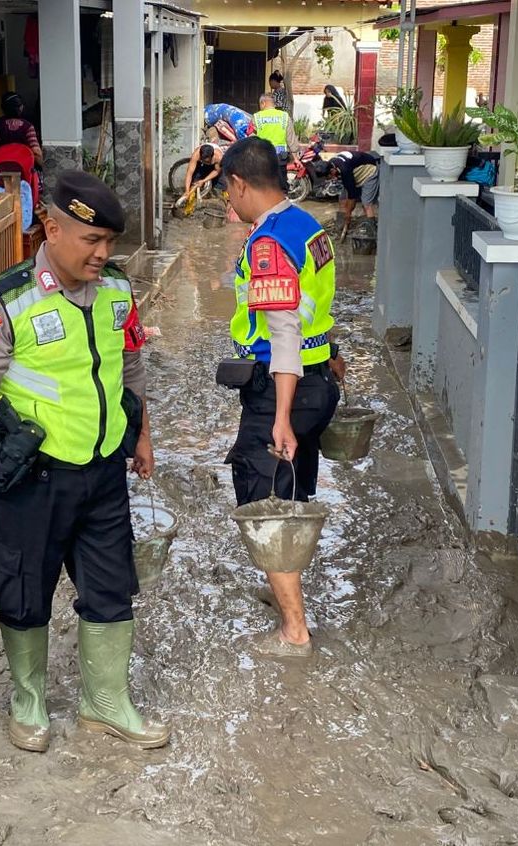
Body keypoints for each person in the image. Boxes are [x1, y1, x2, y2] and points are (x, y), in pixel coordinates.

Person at [0, 171, 170, 753]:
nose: (103, 253)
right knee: (24, 591)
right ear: (51, 228)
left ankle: (105, 702)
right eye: (90, 240)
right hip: (34, 478)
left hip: (103, 473)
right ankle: (28, 699)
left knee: (110, 589)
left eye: (110, 242)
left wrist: (142, 436)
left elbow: (128, 367)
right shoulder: (5, 302)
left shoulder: (116, 292)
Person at [218, 137, 344, 658]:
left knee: (264, 500)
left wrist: (281, 417)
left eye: (228, 190)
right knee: (291, 491)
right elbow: (317, 309)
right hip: (317, 381)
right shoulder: (309, 227)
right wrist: (332, 357)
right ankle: (284, 597)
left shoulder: (268, 244)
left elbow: (286, 331)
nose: (229, 201)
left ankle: (294, 631)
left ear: (241, 183)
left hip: (281, 388)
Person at [253, 94, 300, 194]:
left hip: (263, 156)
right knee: (281, 185)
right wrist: (295, 158)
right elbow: (291, 139)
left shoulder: (257, 117)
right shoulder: (284, 116)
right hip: (280, 157)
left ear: (263, 103)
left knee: (263, 185)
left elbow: (251, 138)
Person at [328, 150, 381, 234]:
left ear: (332, 170)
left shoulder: (344, 170)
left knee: (366, 204)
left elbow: (352, 196)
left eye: (331, 176)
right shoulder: (332, 163)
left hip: (369, 172)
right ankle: (341, 226)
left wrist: (348, 213)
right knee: (342, 199)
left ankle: (371, 232)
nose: (332, 178)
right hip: (355, 173)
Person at [0, 93, 45, 168]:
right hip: (24, 169)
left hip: (0, 169)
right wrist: (44, 167)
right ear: (20, 108)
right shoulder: (27, 127)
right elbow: (36, 152)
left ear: (3, 108)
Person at [178, 141, 223, 206]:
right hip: (201, 165)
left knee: (220, 187)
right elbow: (189, 173)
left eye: (206, 160)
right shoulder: (196, 154)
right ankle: (190, 204)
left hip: (215, 168)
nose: (204, 160)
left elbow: (217, 171)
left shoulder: (219, 157)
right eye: (203, 159)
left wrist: (204, 180)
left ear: (212, 156)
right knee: (194, 183)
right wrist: (187, 190)